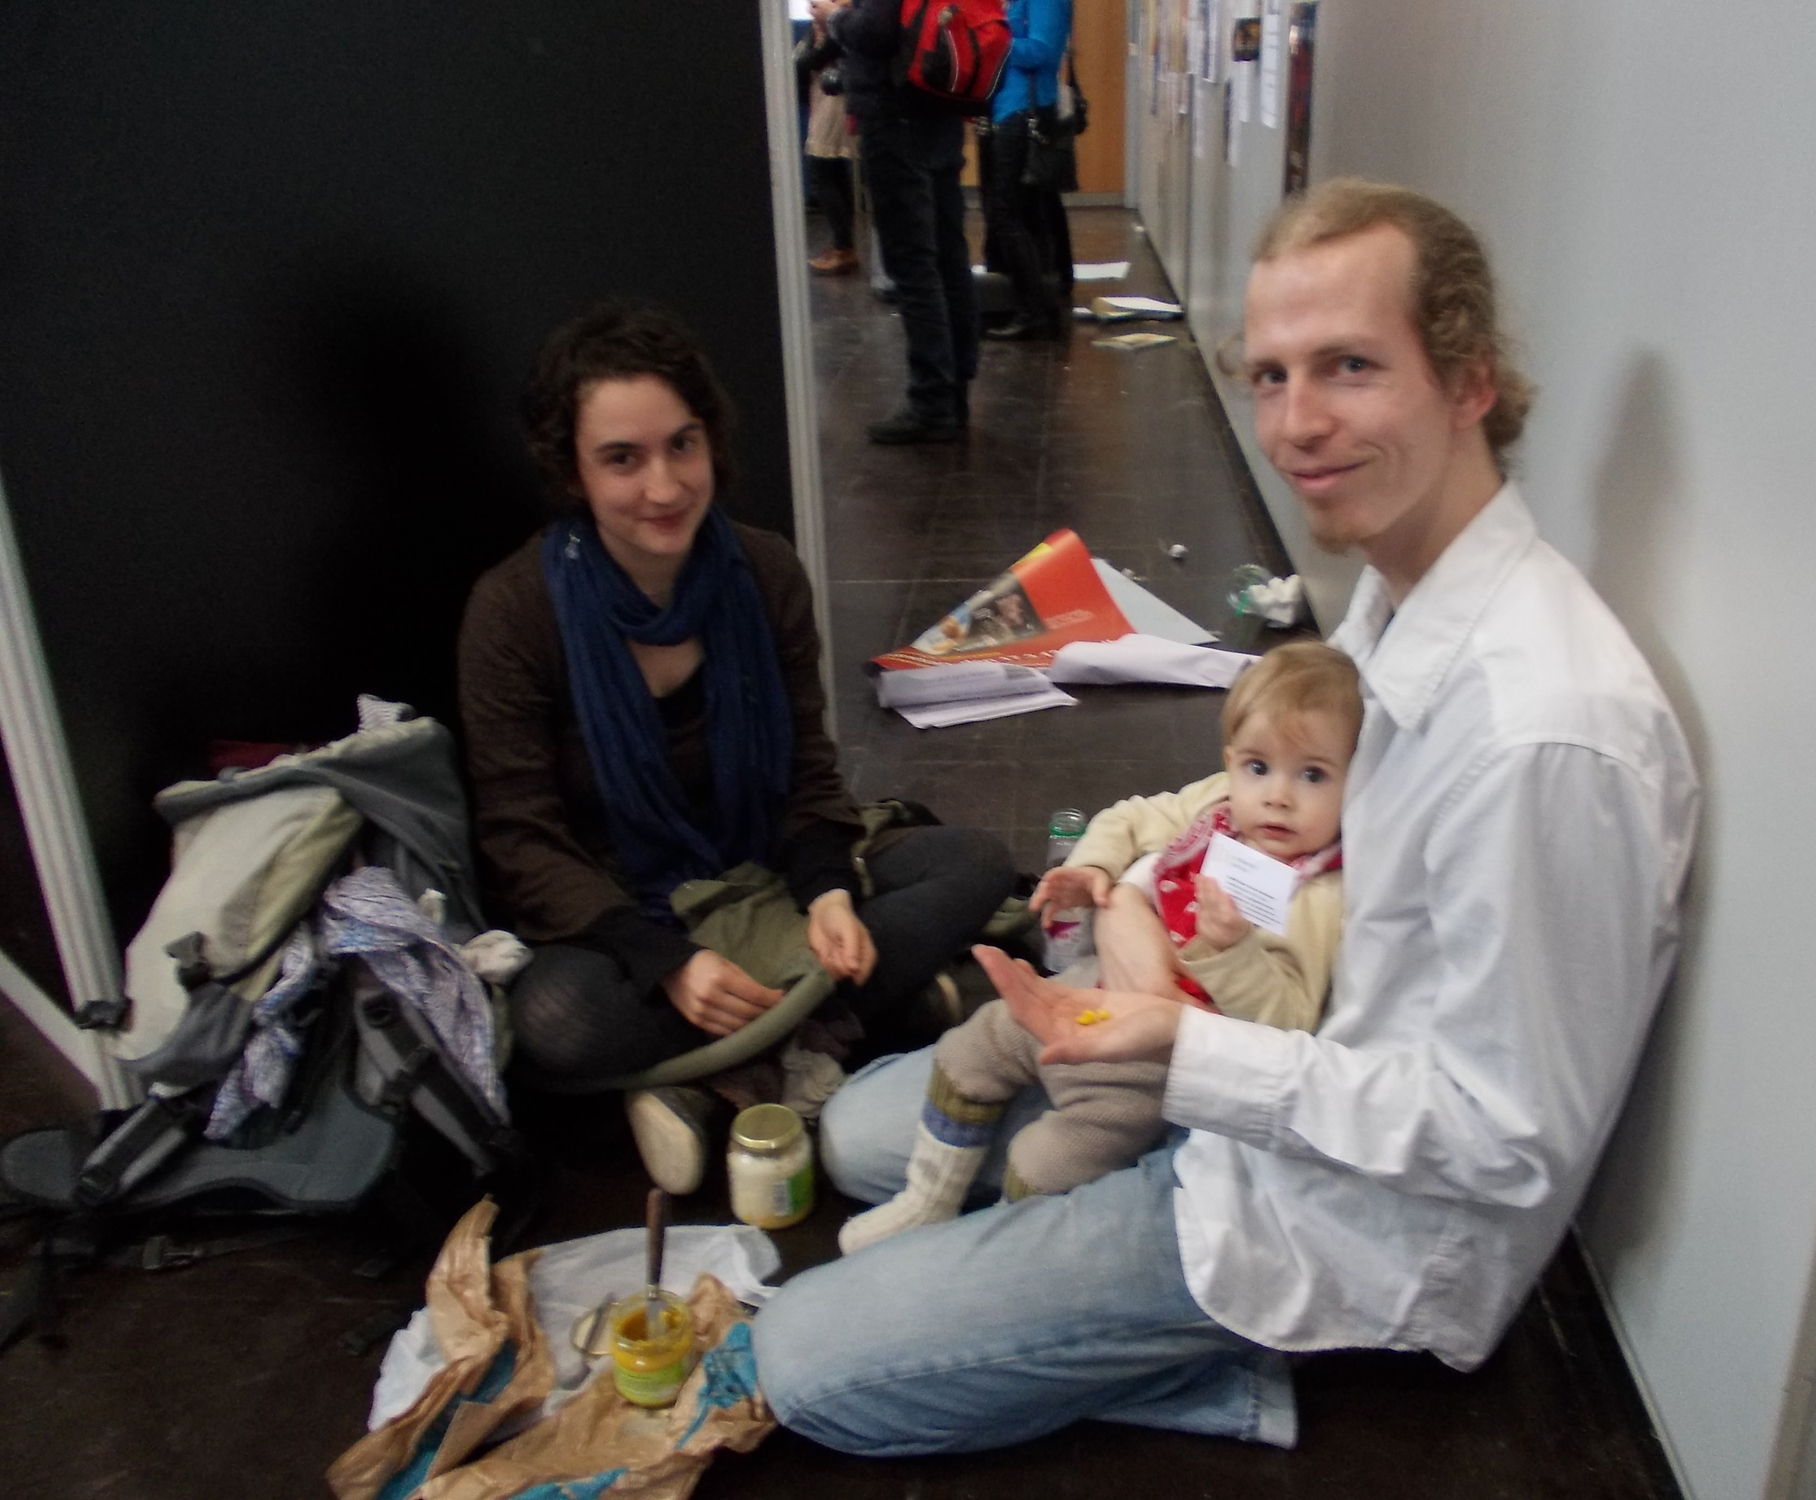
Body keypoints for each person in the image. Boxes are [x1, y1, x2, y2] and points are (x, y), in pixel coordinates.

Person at [751, 179, 1699, 1454]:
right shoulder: (1396, 607)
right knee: (862, 1135)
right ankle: (1081, 1235)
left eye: (1348, 367)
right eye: (1268, 376)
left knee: (803, 1368)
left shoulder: (1544, 736)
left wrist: (1178, 1051)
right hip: (1267, 1057)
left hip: (1340, 1220)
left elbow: (1502, 1143)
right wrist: (1139, 899)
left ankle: (1259, 1367)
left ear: (1468, 380)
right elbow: (1266, 836)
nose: (1294, 425)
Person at [457, 301, 1015, 1192]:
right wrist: (667, 964)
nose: (666, 486)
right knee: (554, 1020)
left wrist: (829, 888)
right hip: (620, 914)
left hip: (762, 873)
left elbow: (807, 769)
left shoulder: (764, 572)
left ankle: (703, 1080)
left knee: (975, 863)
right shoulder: (514, 613)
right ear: (572, 470)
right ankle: (831, 1027)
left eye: (683, 444)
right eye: (622, 458)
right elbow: (521, 841)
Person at [838, 641, 1357, 1252]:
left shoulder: (1319, 897)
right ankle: (926, 1202)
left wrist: (1235, 951)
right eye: (1258, 767)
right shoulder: (1216, 803)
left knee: (1051, 1160)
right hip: (1090, 990)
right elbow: (1133, 817)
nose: (1278, 795)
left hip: (1153, 1067)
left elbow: (1289, 1025)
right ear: (1230, 761)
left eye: (1313, 775)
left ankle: (981, 1249)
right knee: (974, 1045)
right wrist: (1095, 866)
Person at [812, 0, 980, 444]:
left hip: (895, 116)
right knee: (948, 258)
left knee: (913, 263)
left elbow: (876, 30)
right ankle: (954, 388)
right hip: (939, 112)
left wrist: (836, 16)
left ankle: (931, 402)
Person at [979, 0, 1074, 341]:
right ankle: (1036, 302)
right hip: (1007, 111)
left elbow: (1043, 52)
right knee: (1025, 213)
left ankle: (1031, 309)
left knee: (1008, 213)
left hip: (1024, 114)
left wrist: (991, 39)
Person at [799, 23, 860, 275]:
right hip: (823, 96)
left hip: (833, 99)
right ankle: (843, 245)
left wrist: (821, 32)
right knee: (834, 170)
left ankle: (843, 246)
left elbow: (812, 59)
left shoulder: (837, 21)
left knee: (821, 169)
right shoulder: (825, 25)